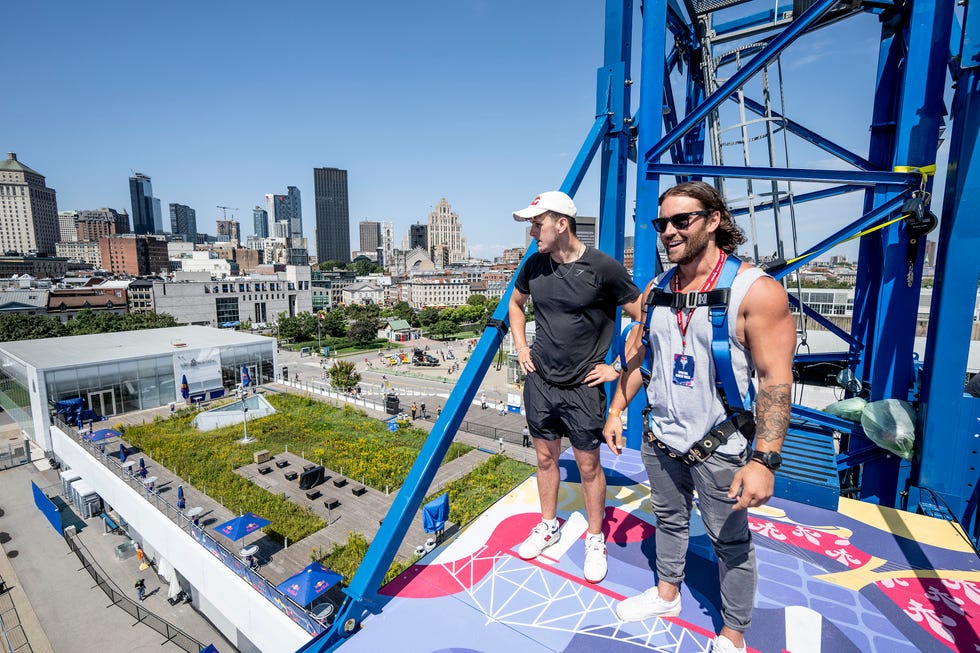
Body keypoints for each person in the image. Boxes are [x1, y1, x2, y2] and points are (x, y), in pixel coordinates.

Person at [603, 181, 795, 653]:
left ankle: (733, 633)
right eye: (661, 223)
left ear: (713, 221)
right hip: (661, 437)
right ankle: (668, 593)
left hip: (721, 444)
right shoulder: (657, 290)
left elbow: (774, 381)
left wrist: (764, 460)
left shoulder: (756, 292)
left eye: (681, 221)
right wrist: (616, 407)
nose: (668, 232)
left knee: (730, 543)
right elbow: (644, 361)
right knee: (667, 520)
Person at [510, 190, 642, 584]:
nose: (533, 231)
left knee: (588, 465)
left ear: (561, 224)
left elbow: (646, 317)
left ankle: (595, 537)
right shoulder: (534, 266)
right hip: (542, 382)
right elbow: (516, 305)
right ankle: (548, 524)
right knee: (546, 459)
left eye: (537, 223)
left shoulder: (603, 268)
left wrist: (616, 367)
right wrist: (520, 347)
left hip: (584, 387)